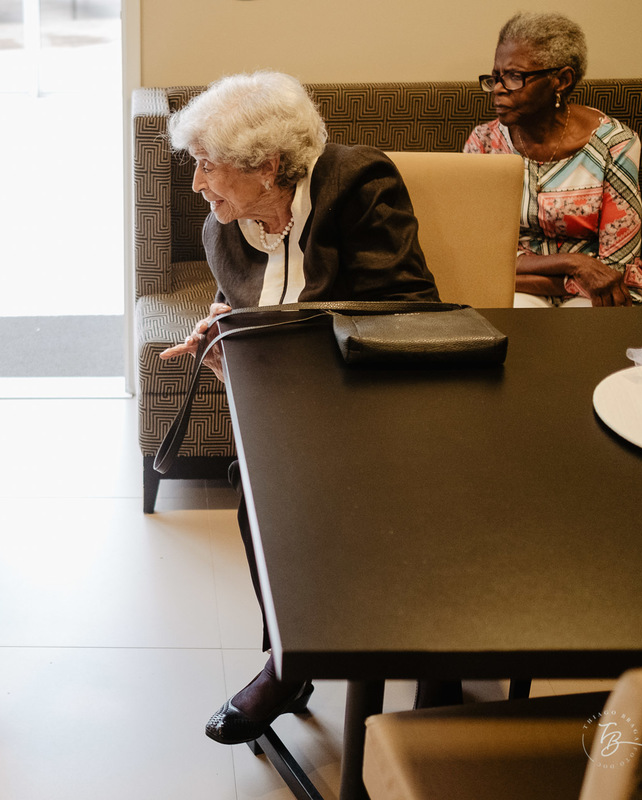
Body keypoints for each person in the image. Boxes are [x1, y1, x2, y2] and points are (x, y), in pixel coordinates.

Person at [159, 72, 440, 745]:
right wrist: (232, 342)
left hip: (390, 399)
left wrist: (269, 332)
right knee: (259, 488)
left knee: (404, 501)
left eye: (207, 165)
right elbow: (263, 326)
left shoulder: (358, 183)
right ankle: (290, 661)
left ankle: (438, 663)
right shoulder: (223, 231)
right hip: (300, 404)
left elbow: (404, 310)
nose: (198, 185)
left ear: (269, 166)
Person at [464, 11, 642, 307]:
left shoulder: (615, 144)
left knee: (589, 329)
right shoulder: (484, 143)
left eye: (515, 76)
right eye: (496, 77)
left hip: (599, 290)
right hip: (539, 283)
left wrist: (514, 273)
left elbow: (616, 268)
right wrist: (574, 264)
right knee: (505, 317)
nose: (499, 89)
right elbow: (480, 254)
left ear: (562, 80)